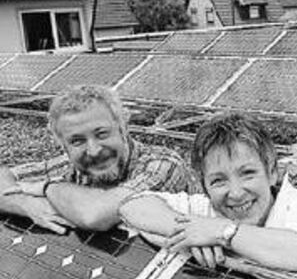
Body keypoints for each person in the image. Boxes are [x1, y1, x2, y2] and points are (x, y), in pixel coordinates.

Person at [119, 114, 297, 274]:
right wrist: (189, 232)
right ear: (204, 186)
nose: (236, 193)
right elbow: (132, 205)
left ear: (272, 173)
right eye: (218, 181)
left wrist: (223, 233)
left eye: (247, 173)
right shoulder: (203, 211)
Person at [0, 85, 195, 233]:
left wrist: (48, 189)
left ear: (122, 128)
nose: (93, 151)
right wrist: (26, 204)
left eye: (101, 134)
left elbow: (94, 215)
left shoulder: (163, 165)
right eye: (77, 141)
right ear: (64, 146)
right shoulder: (68, 167)